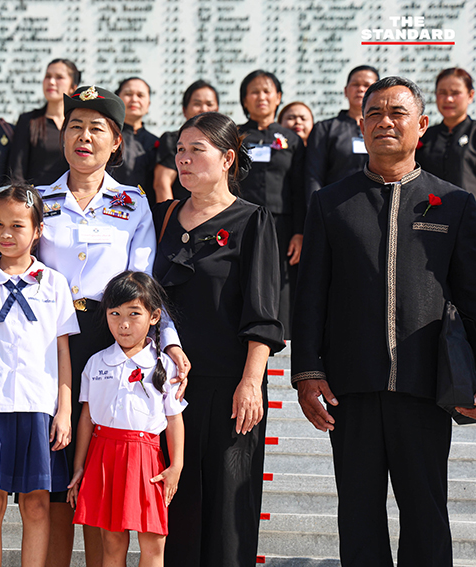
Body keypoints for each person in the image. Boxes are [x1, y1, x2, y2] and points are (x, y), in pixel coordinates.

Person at [292, 76, 476, 567]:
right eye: (374, 113)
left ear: (421, 124)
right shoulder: (330, 202)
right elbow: (311, 294)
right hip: (350, 389)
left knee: (426, 514)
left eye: (397, 113)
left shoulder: (454, 204)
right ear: (360, 125)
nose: (385, 122)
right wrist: (307, 371)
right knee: (358, 516)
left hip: (424, 386)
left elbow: (471, 297)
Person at [37, 85, 190, 567]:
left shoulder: (133, 204)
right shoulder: (38, 199)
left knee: (96, 477)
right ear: (63, 137)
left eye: (96, 129)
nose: (84, 137)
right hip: (49, 341)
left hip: (110, 338)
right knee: (55, 475)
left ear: (117, 141)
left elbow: (144, 282)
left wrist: (167, 340)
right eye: (75, 126)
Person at [152, 112, 283, 567]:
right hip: (172, 387)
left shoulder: (252, 221)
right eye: (180, 151)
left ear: (228, 158)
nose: (184, 160)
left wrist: (251, 381)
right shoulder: (164, 216)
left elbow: (264, 311)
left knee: (229, 507)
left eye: (196, 150)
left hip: (231, 384)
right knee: (178, 504)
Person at [0, 183, 79, 567]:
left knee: (37, 505)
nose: (6, 233)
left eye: (18, 226)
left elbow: (62, 351)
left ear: (38, 230)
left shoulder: (54, 285)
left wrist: (65, 412)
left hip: (39, 406)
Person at [68, 271, 186, 567]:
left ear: (154, 316)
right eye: (114, 313)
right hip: (105, 457)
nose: (123, 323)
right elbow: (86, 419)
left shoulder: (164, 365)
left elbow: (174, 419)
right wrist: (80, 467)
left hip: (148, 460)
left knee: (153, 541)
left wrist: (176, 465)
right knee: (112, 542)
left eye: (134, 314)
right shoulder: (96, 362)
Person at [238, 70, 304, 339]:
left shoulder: (292, 140)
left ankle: (283, 344)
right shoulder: (235, 135)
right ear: (244, 100)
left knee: (282, 284)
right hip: (242, 220)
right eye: (254, 91)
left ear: (278, 97)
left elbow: (300, 188)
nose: (261, 97)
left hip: (282, 225)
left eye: (267, 91)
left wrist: (299, 231)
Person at [305, 65, 379, 198]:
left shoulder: (385, 128)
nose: (361, 89)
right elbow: (313, 176)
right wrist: (315, 210)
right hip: (335, 205)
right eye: (355, 84)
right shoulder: (325, 129)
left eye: (367, 85)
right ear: (345, 91)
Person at [9, 59, 80, 186]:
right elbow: (17, 171)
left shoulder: (80, 124)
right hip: (37, 199)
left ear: (73, 87)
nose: (51, 82)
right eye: (47, 76)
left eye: (59, 77)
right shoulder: (29, 121)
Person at [154, 80, 219, 203]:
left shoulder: (223, 142)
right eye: (197, 104)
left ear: (217, 109)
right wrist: (169, 217)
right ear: (184, 110)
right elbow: (162, 183)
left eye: (209, 104)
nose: (203, 109)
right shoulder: (173, 140)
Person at [415, 67, 476, 194]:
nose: (448, 99)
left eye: (455, 93)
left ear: (470, 95)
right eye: (442, 92)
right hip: (429, 211)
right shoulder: (424, 135)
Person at [110, 77, 159, 205]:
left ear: (148, 104)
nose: (134, 99)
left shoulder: (157, 143)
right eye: (128, 94)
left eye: (140, 95)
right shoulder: (107, 137)